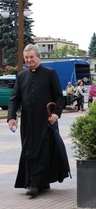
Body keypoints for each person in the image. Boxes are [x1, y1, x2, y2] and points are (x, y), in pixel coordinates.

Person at [7, 44, 70, 197]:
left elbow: (59, 97)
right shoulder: (22, 76)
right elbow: (14, 99)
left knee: (43, 151)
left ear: (38, 57)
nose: (29, 60)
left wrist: (56, 113)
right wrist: (11, 117)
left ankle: (34, 183)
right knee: (29, 149)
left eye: (31, 57)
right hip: (28, 120)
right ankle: (39, 181)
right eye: (26, 58)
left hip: (46, 120)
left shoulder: (50, 73)